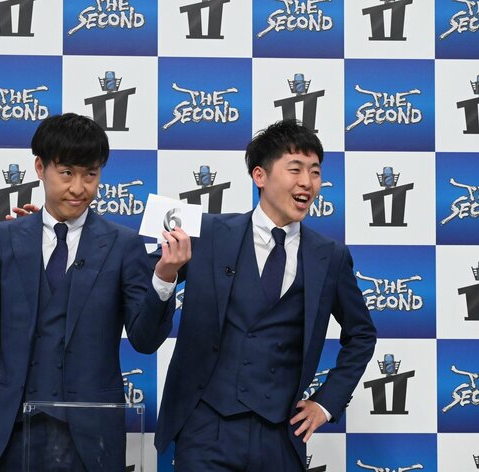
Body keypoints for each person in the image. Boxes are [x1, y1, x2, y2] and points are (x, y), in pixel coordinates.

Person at [0, 113, 190, 472]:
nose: (79, 188)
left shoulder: (123, 244)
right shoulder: (4, 239)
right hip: (11, 432)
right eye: (66, 173)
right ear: (40, 167)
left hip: (91, 439)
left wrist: (164, 277)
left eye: (90, 175)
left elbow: (144, 340)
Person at [154, 120, 377, 471]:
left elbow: (362, 334)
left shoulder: (330, 256)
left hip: (281, 437)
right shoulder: (206, 233)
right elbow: (144, 315)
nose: (307, 182)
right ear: (260, 176)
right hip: (205, 431)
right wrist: (164, 275)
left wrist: (326, 402)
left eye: (315, 172)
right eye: (295, 169)